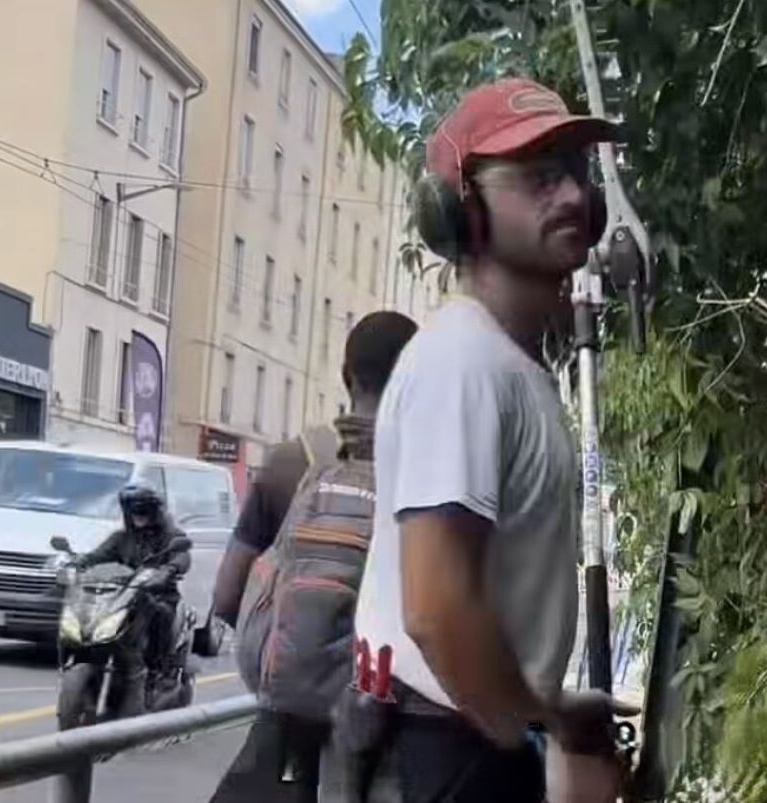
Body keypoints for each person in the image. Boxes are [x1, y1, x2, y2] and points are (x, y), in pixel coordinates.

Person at [353, 77, 636, 803]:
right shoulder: (463, 361)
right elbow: (435, 608)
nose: (570, 195)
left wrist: (550, 710)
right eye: (538, 177)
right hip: (448, 750)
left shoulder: (506, 364)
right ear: (460, 210)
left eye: (572, 173)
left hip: (464, 740)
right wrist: (531, 727)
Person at [208, 310, 418, 803]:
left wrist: (297, 663)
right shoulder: (426, 477)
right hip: (383, 734)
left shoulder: (292, 463)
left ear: (347, 377)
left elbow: (227, 597)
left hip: (287, 729)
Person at [76, 483, 190, 715]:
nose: (138, 516)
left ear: (154, 511)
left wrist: (169, 570)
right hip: (126, 595)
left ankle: (158, 669)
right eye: (133, 511)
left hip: (160, 596)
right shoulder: (121, 538)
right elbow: (97, 556)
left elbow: (182, 557)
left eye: (143, 510)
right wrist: (77, 563)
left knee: (160, 613)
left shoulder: (171, 536)